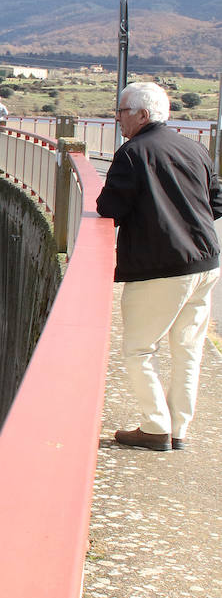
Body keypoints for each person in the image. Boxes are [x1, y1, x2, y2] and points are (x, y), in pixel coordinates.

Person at [96, 81, 222, 450]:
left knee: (138, 349)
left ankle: (154, 427)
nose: (118, 118)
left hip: (161, 267)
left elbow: (109, 208)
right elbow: (217, 202)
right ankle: (179, 428)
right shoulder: (194, 147)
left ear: (142, 115)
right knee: (188, 348)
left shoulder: (133, 153)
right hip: (206, 262)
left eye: (121, 111)